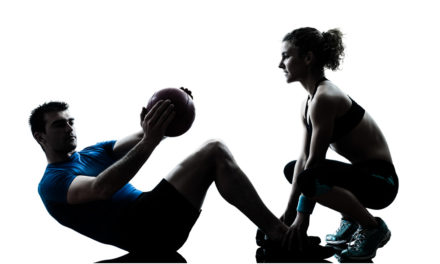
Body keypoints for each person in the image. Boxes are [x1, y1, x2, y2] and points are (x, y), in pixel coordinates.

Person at [30, 98, 289, 261]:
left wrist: (171, 109)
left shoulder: (95, 151)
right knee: (213, 150)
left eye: (70, 122)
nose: (69, 128)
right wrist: (150, 140)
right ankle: (278, 234)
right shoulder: (52, 182)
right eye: (59, 125)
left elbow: (148, 134)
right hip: (142, 226)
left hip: (156, 220)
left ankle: (276, 235)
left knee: (215, 151)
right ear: (40, 137)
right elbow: (102, 188)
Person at [277, 27, 399, 261]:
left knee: (308, 176)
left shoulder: (325, 97)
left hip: (382, 183)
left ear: (308, 58)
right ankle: (351, 218)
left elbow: (315, 164)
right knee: (293, 169)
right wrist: (288, 214)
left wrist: (303, 218)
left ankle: (372, 227)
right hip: (362, 177)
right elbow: (304, 159)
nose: (280, 64)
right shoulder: (308, 103)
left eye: (286, 56)